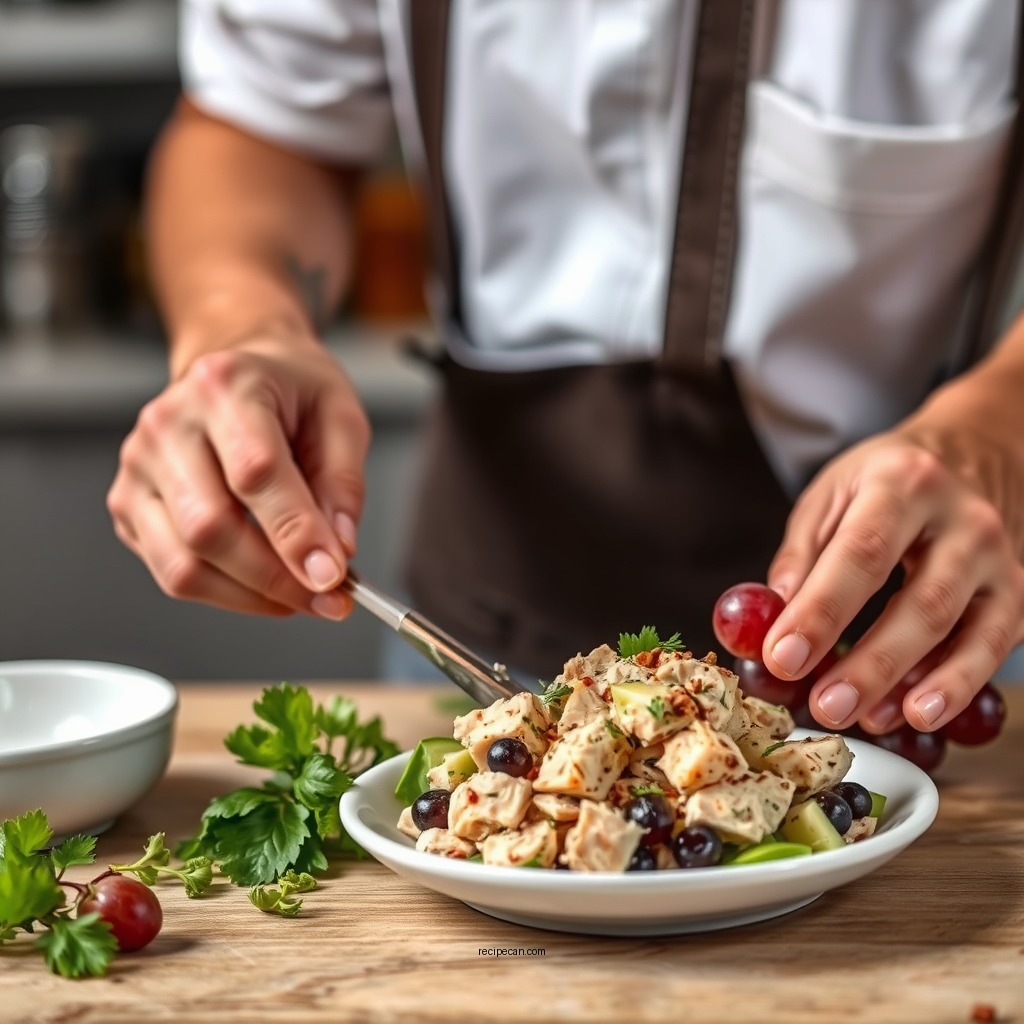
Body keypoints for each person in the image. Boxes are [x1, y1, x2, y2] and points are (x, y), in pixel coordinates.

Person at [108, 0, 1024, 740]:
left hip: (917, 632)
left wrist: (996, 420)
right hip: (479, 622)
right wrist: (242, 324)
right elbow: (261, 125)